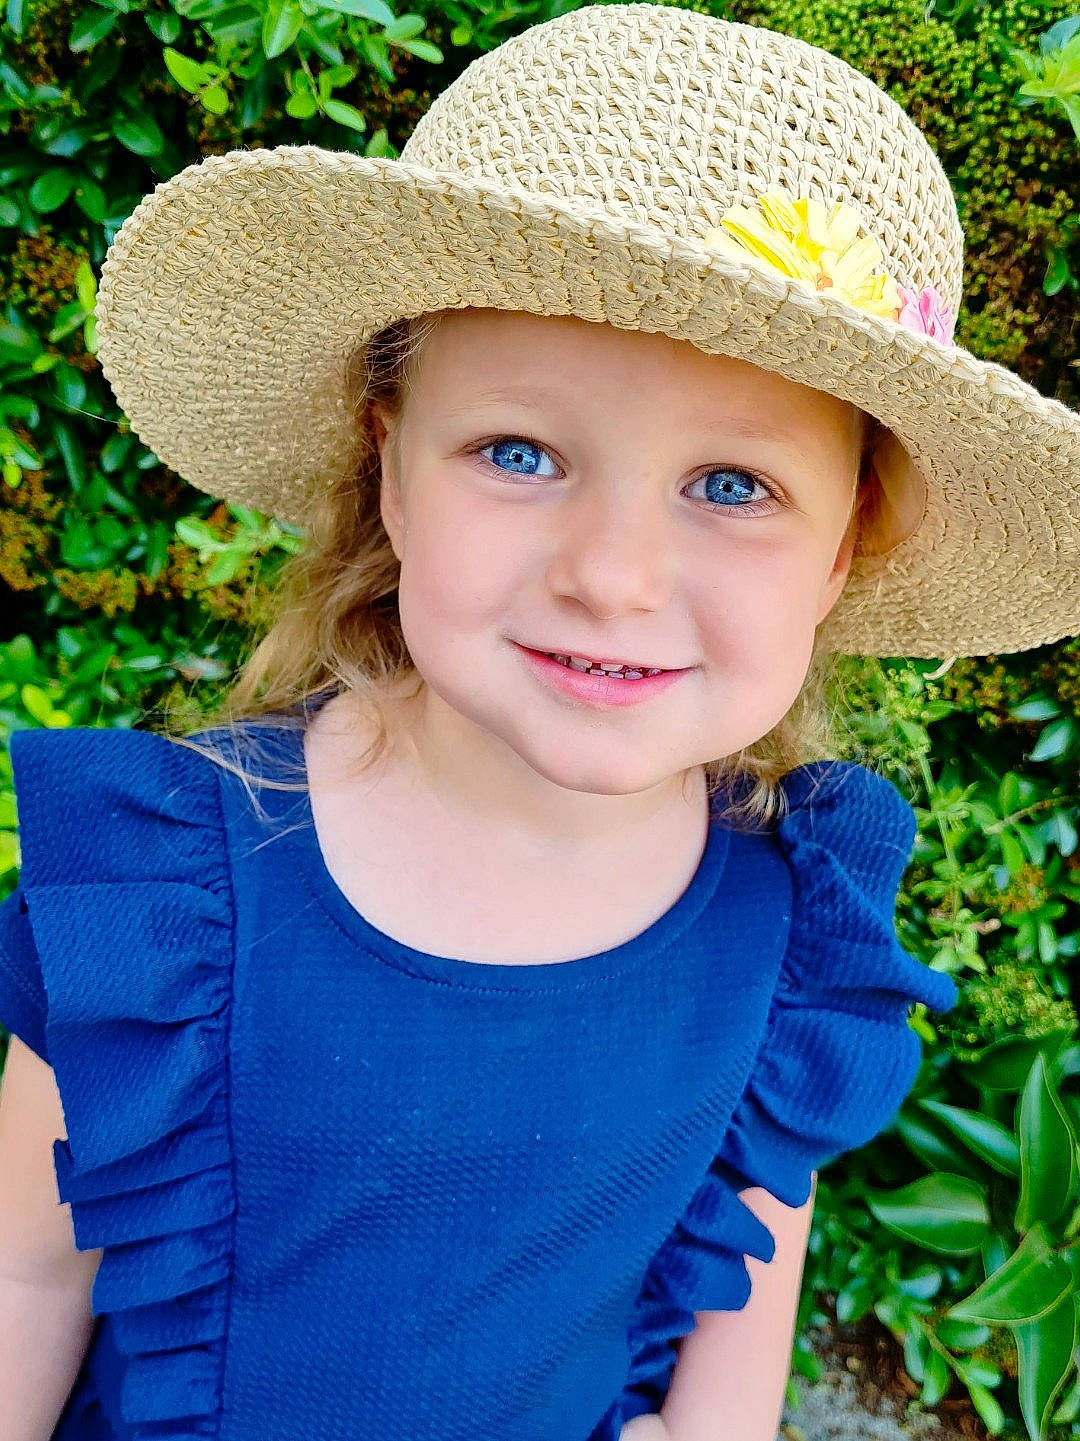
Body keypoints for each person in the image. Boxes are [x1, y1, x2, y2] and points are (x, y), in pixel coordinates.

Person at [1, 4, 1077, 1440]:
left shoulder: (795, 936)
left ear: (845, 552)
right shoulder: (166, 898)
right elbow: (24, 1273)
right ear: (388, 470)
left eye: (734, 485)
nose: (611, 577)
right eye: (519, 451)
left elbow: (736, 1318)